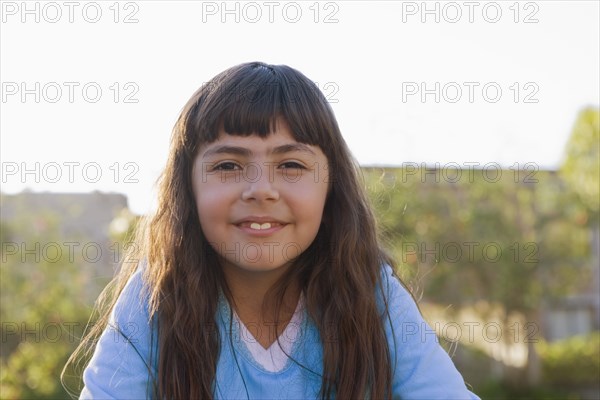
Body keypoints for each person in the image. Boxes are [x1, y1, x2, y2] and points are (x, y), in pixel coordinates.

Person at [65, 62, 480, 399]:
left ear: (329, 188)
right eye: (227, 165)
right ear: (187, 189)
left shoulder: (372, 295)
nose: (261, 189)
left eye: (291, 165)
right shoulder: (153, 300)